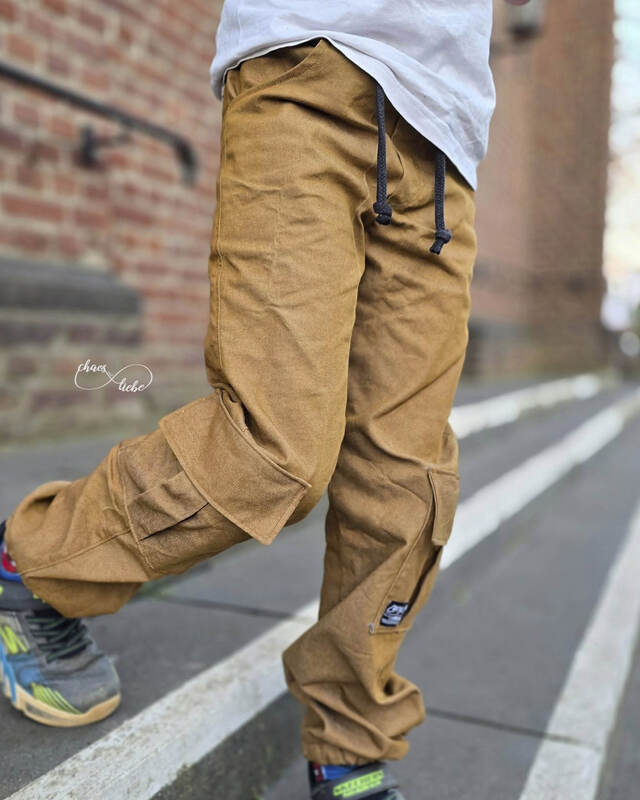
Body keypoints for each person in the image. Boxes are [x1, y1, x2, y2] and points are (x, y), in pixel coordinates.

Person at [0, 0, 531, 797]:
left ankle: (348, 743)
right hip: (309, 70)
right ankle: (30, 562)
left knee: (408, 486)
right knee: (271, 452)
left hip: (446, 148)